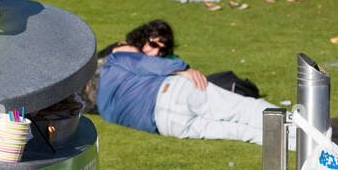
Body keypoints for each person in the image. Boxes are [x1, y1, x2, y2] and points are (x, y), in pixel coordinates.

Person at [96, 20, 290, 146]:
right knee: (245, 110)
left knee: (241, 131)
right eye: (153, 45)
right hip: (171, 94)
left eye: (161, 50)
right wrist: (183, 68)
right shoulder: (119, 56)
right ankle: (309, 131)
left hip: (169, 125)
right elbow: (147, 64)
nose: (155, 53)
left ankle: (301, 144)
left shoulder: (105, 109)